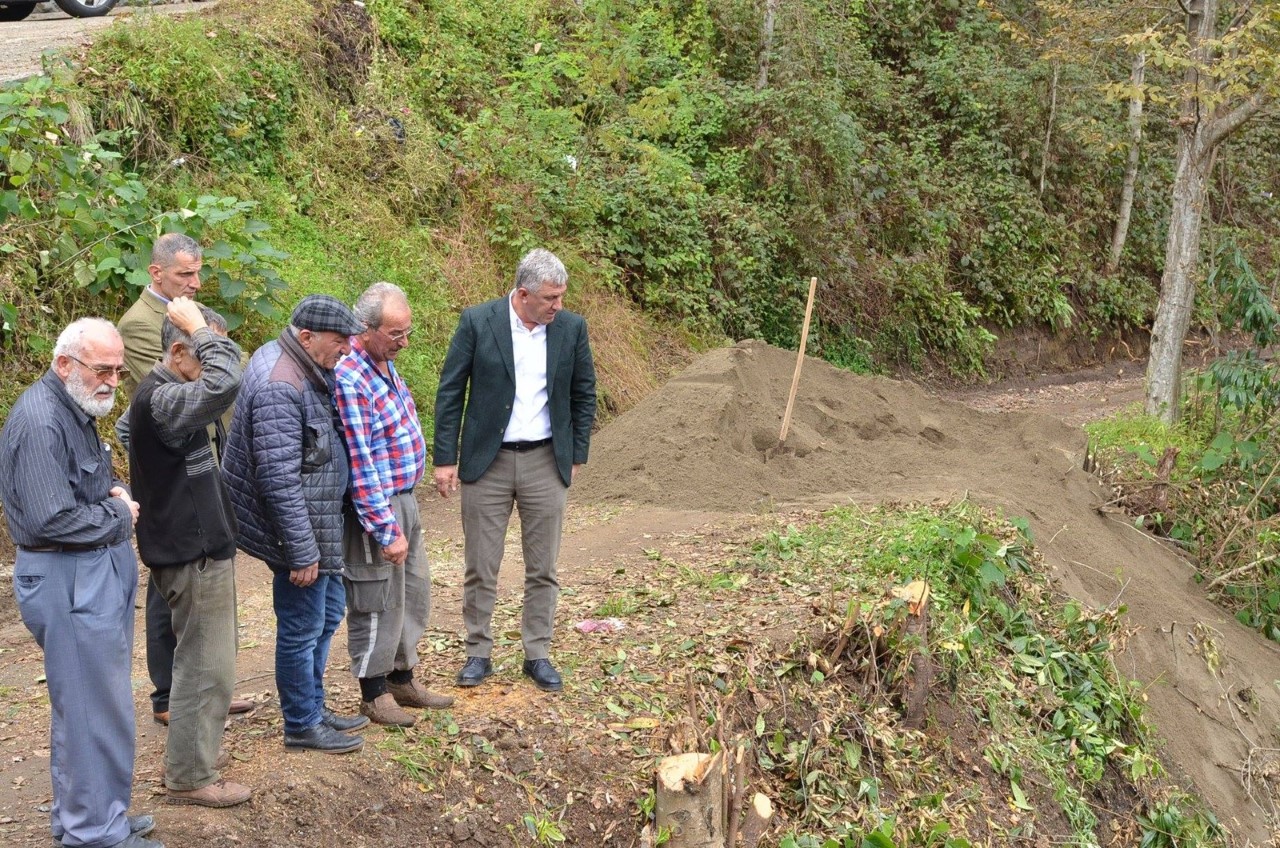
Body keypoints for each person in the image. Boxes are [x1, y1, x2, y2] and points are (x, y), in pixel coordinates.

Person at [0, 318, 162, 848]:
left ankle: (100, 814)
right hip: (66, 576)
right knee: (91, 708)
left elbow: (94, 479)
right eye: (103, 369)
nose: (114, 380)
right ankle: (93, 834)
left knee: (102, 703)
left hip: (88, 572)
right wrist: (120, 517)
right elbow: (51, 519)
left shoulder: (76, 406)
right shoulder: (43, 420)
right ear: (65, 363)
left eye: (118, 369)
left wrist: (114, 492)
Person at [433, 248, 597, 692]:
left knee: (543, 566)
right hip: (488, 461)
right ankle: (478, 652)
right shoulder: (477, 321)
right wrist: (445, 458)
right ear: (523, 294)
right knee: (481, 564)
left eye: (561, 297)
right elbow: (450, 392)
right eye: (549, 298)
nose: (557, 306)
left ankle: (537, 652)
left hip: (547, 459)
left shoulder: (571, 329)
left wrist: (576, 452)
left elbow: (585, 393)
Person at [222, 294, 369, 753]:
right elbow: (278, 480)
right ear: (307, 336)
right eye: (339, 341)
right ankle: (301, 723)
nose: (346, 350)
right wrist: (300, 552)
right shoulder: (279, 385)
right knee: (301, 624)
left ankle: (314, 704)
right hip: (297, 529)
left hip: (317, 518)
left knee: (326, 614)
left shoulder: (297, 360)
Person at [117, 232, 254, 726]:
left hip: (198, 458)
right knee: (168, 588)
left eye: (198, 274)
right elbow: (151, 402)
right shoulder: (141, 324)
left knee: (196, 602)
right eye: (184, 275)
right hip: (168, 471)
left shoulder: (187, 316)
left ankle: (202, 690)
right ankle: (169, 695)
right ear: (156, 273)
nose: (195, 284)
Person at [127, 298, 251, 808]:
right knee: (205, 666)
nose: (210, 361)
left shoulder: (167, 395)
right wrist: (200, 328)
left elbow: (224, 368)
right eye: (202, 349)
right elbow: (226, 382)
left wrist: (206, 334)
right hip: (189, 550)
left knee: (205, 661)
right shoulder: (163, 399)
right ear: (179, 351)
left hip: (194, 544)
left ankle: (193, 757)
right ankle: (190, 776)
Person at [336, 283, 455, 726]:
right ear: (364, 329)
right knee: (376, 595)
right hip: (377, 504)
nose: (404, 343)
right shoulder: (351, 374)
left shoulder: (383, 362)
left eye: (407, 333)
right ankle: (373, 690)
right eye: (395, 334)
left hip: (405, 496)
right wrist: (384, 527)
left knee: (413, 591)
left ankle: (403, 676)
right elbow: (360, 460)